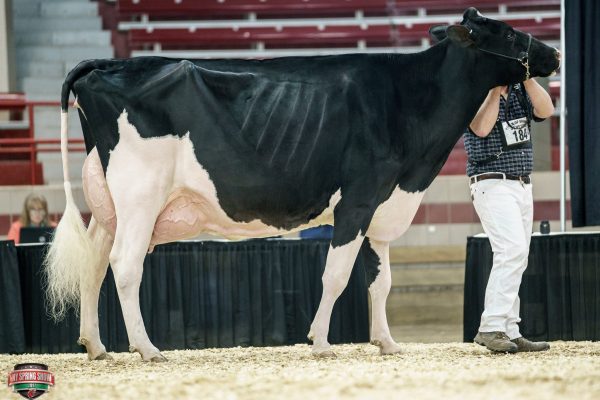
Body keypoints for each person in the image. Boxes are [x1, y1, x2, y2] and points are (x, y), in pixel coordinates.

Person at [465, 78, 555, 353]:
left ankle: (510, 329)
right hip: (491, 181)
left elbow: (547, 110)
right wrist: (494, 89)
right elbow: (481, 128)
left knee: (517, 256)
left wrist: (527, 78)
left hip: (522, 183)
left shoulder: (521, 90)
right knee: (511, 251)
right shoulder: (475, 89)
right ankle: (491, 326)